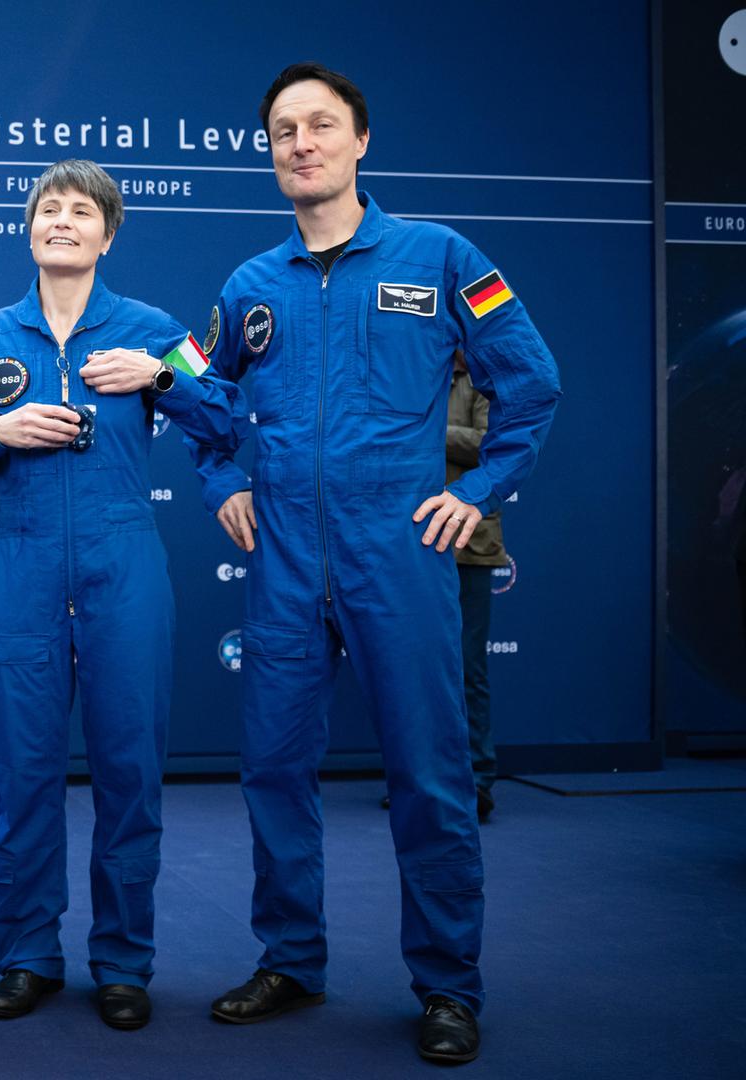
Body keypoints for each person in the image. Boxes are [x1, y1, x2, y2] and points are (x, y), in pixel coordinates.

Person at [184, 63, 562, 1065]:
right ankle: (291, 960)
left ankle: (448, 986)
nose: (301, 143)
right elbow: (197, 385)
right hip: (285, 565)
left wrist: (475, 492)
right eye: (282, 132)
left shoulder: (442, 258)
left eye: (320, 126)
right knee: (272, 769)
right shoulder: (248, 285)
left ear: (359, 143)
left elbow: (533, 385)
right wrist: (222, 475)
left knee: (431, 777)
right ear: (270, 155)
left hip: (397, 551)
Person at [0, 160, 246, 1032]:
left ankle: (122, 962)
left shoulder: (153, 330)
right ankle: (27, 956)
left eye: (81, 211)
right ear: (29, 231)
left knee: (129, 775)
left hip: (123, 563)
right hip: (21, 565)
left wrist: (159, 377)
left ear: (108, 235)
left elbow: (222, 415)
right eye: (48, 209)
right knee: (25, 777)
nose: (61, 221)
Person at [447, 351, 508, 821]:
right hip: (411, 544)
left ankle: (477, 781)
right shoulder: (407, 375)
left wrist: (429, 432)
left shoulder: (482, 378)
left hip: (469, 543)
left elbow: (492, 442)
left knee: (468, 667)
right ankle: (421, 779)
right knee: (413, 672)